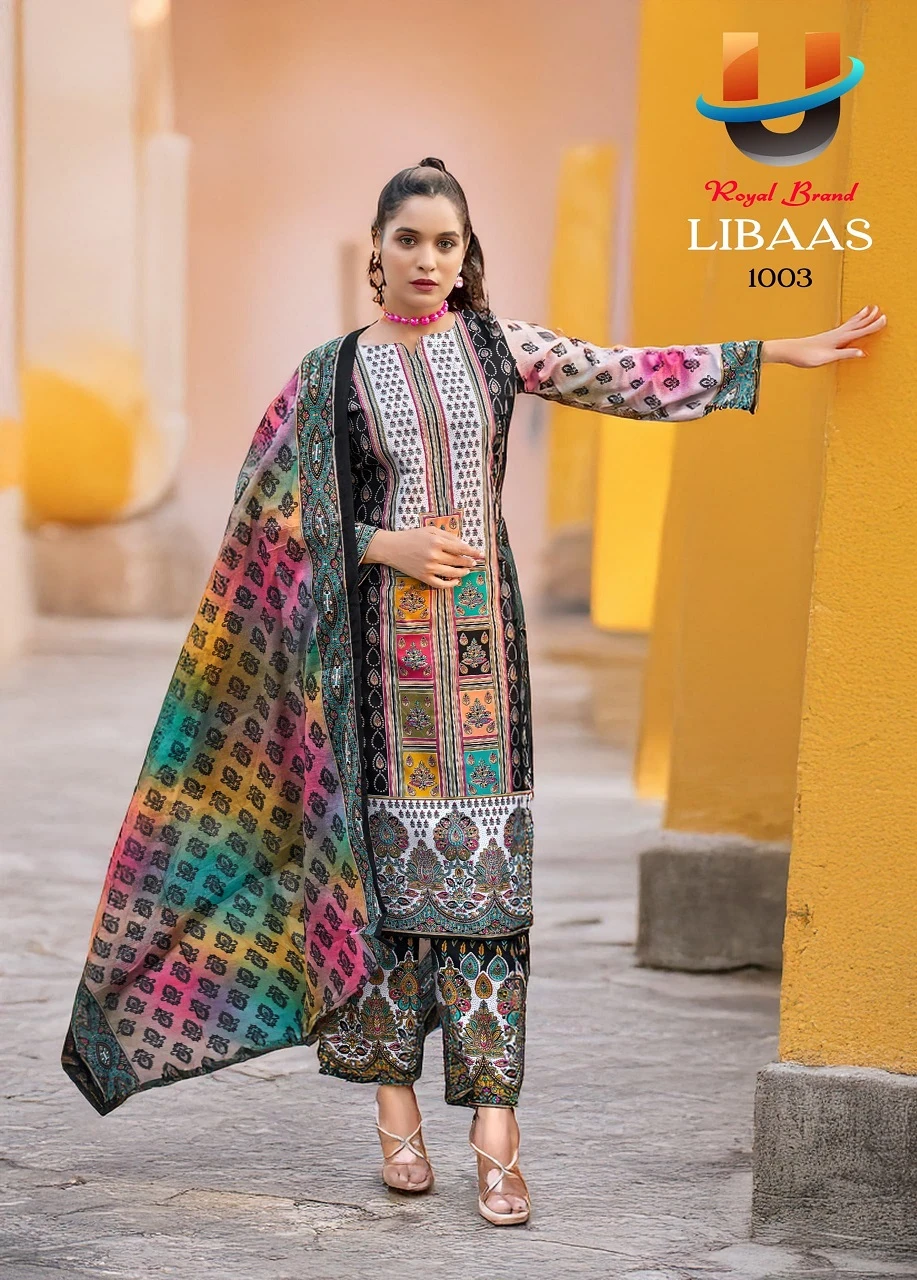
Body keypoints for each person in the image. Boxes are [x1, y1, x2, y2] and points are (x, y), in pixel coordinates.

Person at [61, 156, 886, 1228]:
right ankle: (394, 1110)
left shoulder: (497, 348)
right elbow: (270, 515)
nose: (426, 258)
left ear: (464, 256)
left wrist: (770, 352)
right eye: (408, 239)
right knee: (386, 897)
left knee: (487, 896)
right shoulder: (329, 375)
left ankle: (496, 1128)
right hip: (372, 685)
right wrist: (384, 543)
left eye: (444, 242)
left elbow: (622, 373)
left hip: (484, 677)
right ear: (377, 249)